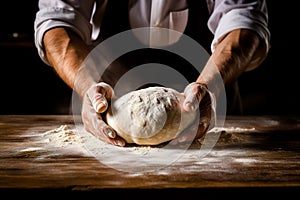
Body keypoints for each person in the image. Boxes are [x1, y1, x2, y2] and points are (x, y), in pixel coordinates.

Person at [34, 0, 270, 147]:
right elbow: (56, 22)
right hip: (105, 94)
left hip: (210, 92)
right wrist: (87, 89)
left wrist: (208, 85)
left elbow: (243, 20)